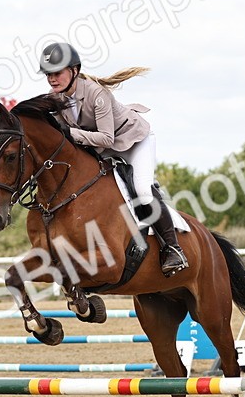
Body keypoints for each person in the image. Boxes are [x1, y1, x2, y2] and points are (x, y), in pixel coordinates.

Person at [38, 42, 189, 277]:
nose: (52, 79)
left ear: (74, 70)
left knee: (142, 189)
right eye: (48, 74)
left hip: (134, 141)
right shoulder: (54, 98)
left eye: (57, 73)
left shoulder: (97, 93)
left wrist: (70, 134)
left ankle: (173, 248)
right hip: (102, 148)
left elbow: (106, 139)